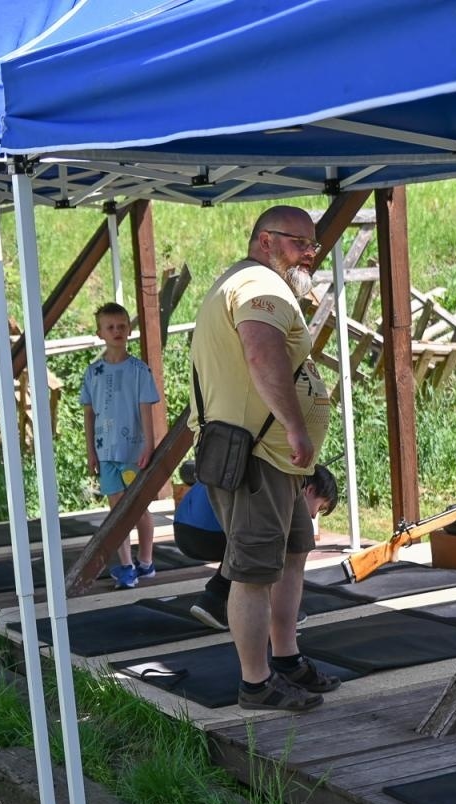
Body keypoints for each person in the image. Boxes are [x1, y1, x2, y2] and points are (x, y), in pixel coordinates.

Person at [188, 206, 336, 712]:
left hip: (271, 457)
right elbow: (261, 351)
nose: (311, 256)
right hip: (258, 455)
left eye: (314, 246)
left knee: (292, 553)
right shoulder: (261, 286)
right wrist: (296, 426)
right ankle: (256, 683)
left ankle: (286, 658)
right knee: (252, 573)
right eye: (301, 244)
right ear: (267, 241)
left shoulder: (255, 283)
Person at [176, 463, 338, 631]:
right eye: (319, 508)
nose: (312, 516)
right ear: (309, 490)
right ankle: (220, 600)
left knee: (255, 533)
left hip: (183, 527)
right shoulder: (281, 482)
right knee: (279, 542)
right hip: (211, 534)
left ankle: (216, 596)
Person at [80, 302, 161, 589]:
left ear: (129, 329)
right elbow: (89, 413)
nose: (117, 331)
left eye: (121, 326)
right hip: (106, 454)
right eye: (110, 327)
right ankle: (126, 566)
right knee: (117, 513)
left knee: (138, 508)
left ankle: (146, 561)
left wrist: (148, 447)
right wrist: (91, 450)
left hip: (133, 454)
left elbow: (145, 410)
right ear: (100, 333)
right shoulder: (93, 373)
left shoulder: (139, 370)